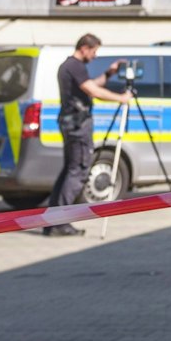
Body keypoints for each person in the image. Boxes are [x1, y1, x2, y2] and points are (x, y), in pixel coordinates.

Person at [43, 33, 129, 238]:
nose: (95, 56)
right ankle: (59, 222)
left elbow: (92, 84)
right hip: (78, 125)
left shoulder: (69, 67)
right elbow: (93, 91)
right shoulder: (75, 66)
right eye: (94, 51)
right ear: (84, 48)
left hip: (70, 123)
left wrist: (109, 74)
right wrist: (121, 98)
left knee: (69, 171)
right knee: (78, 172)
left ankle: (51, 221)